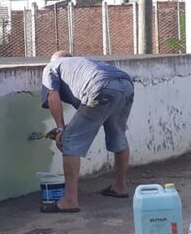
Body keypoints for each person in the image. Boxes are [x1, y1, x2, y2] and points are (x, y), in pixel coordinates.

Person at [40, 51, 135, 213]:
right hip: (126, 84)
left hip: (100, 86)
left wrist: (61, 128)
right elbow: (89, 112)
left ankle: (70, 200)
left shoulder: (52, 66)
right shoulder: (84, 63)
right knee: (118, 135)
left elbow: (52, 96)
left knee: (69, 140)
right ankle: (120, 187)